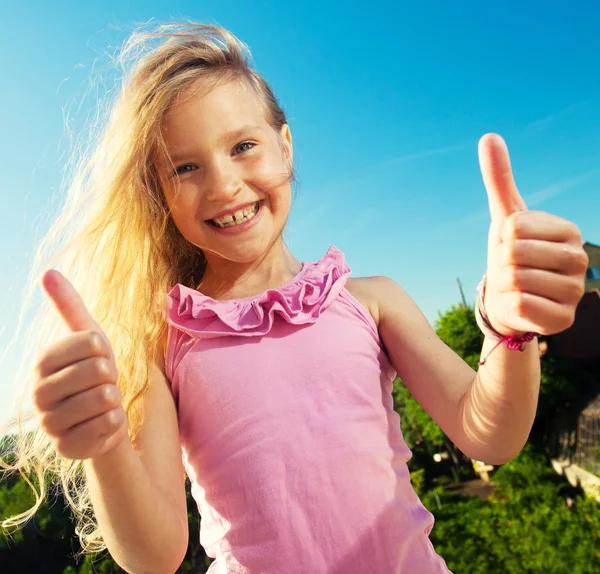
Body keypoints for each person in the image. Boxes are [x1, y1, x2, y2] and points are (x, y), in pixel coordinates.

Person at [0, 23, 588, 574]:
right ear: (160, 195)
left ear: (285, 146)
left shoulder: (372, 301)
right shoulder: (162, 345)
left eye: (243, 146)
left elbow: (490, 434)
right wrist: (105, 448)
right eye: (185, 167)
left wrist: (510, 330)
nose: (224, 184)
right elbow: (153, 556)